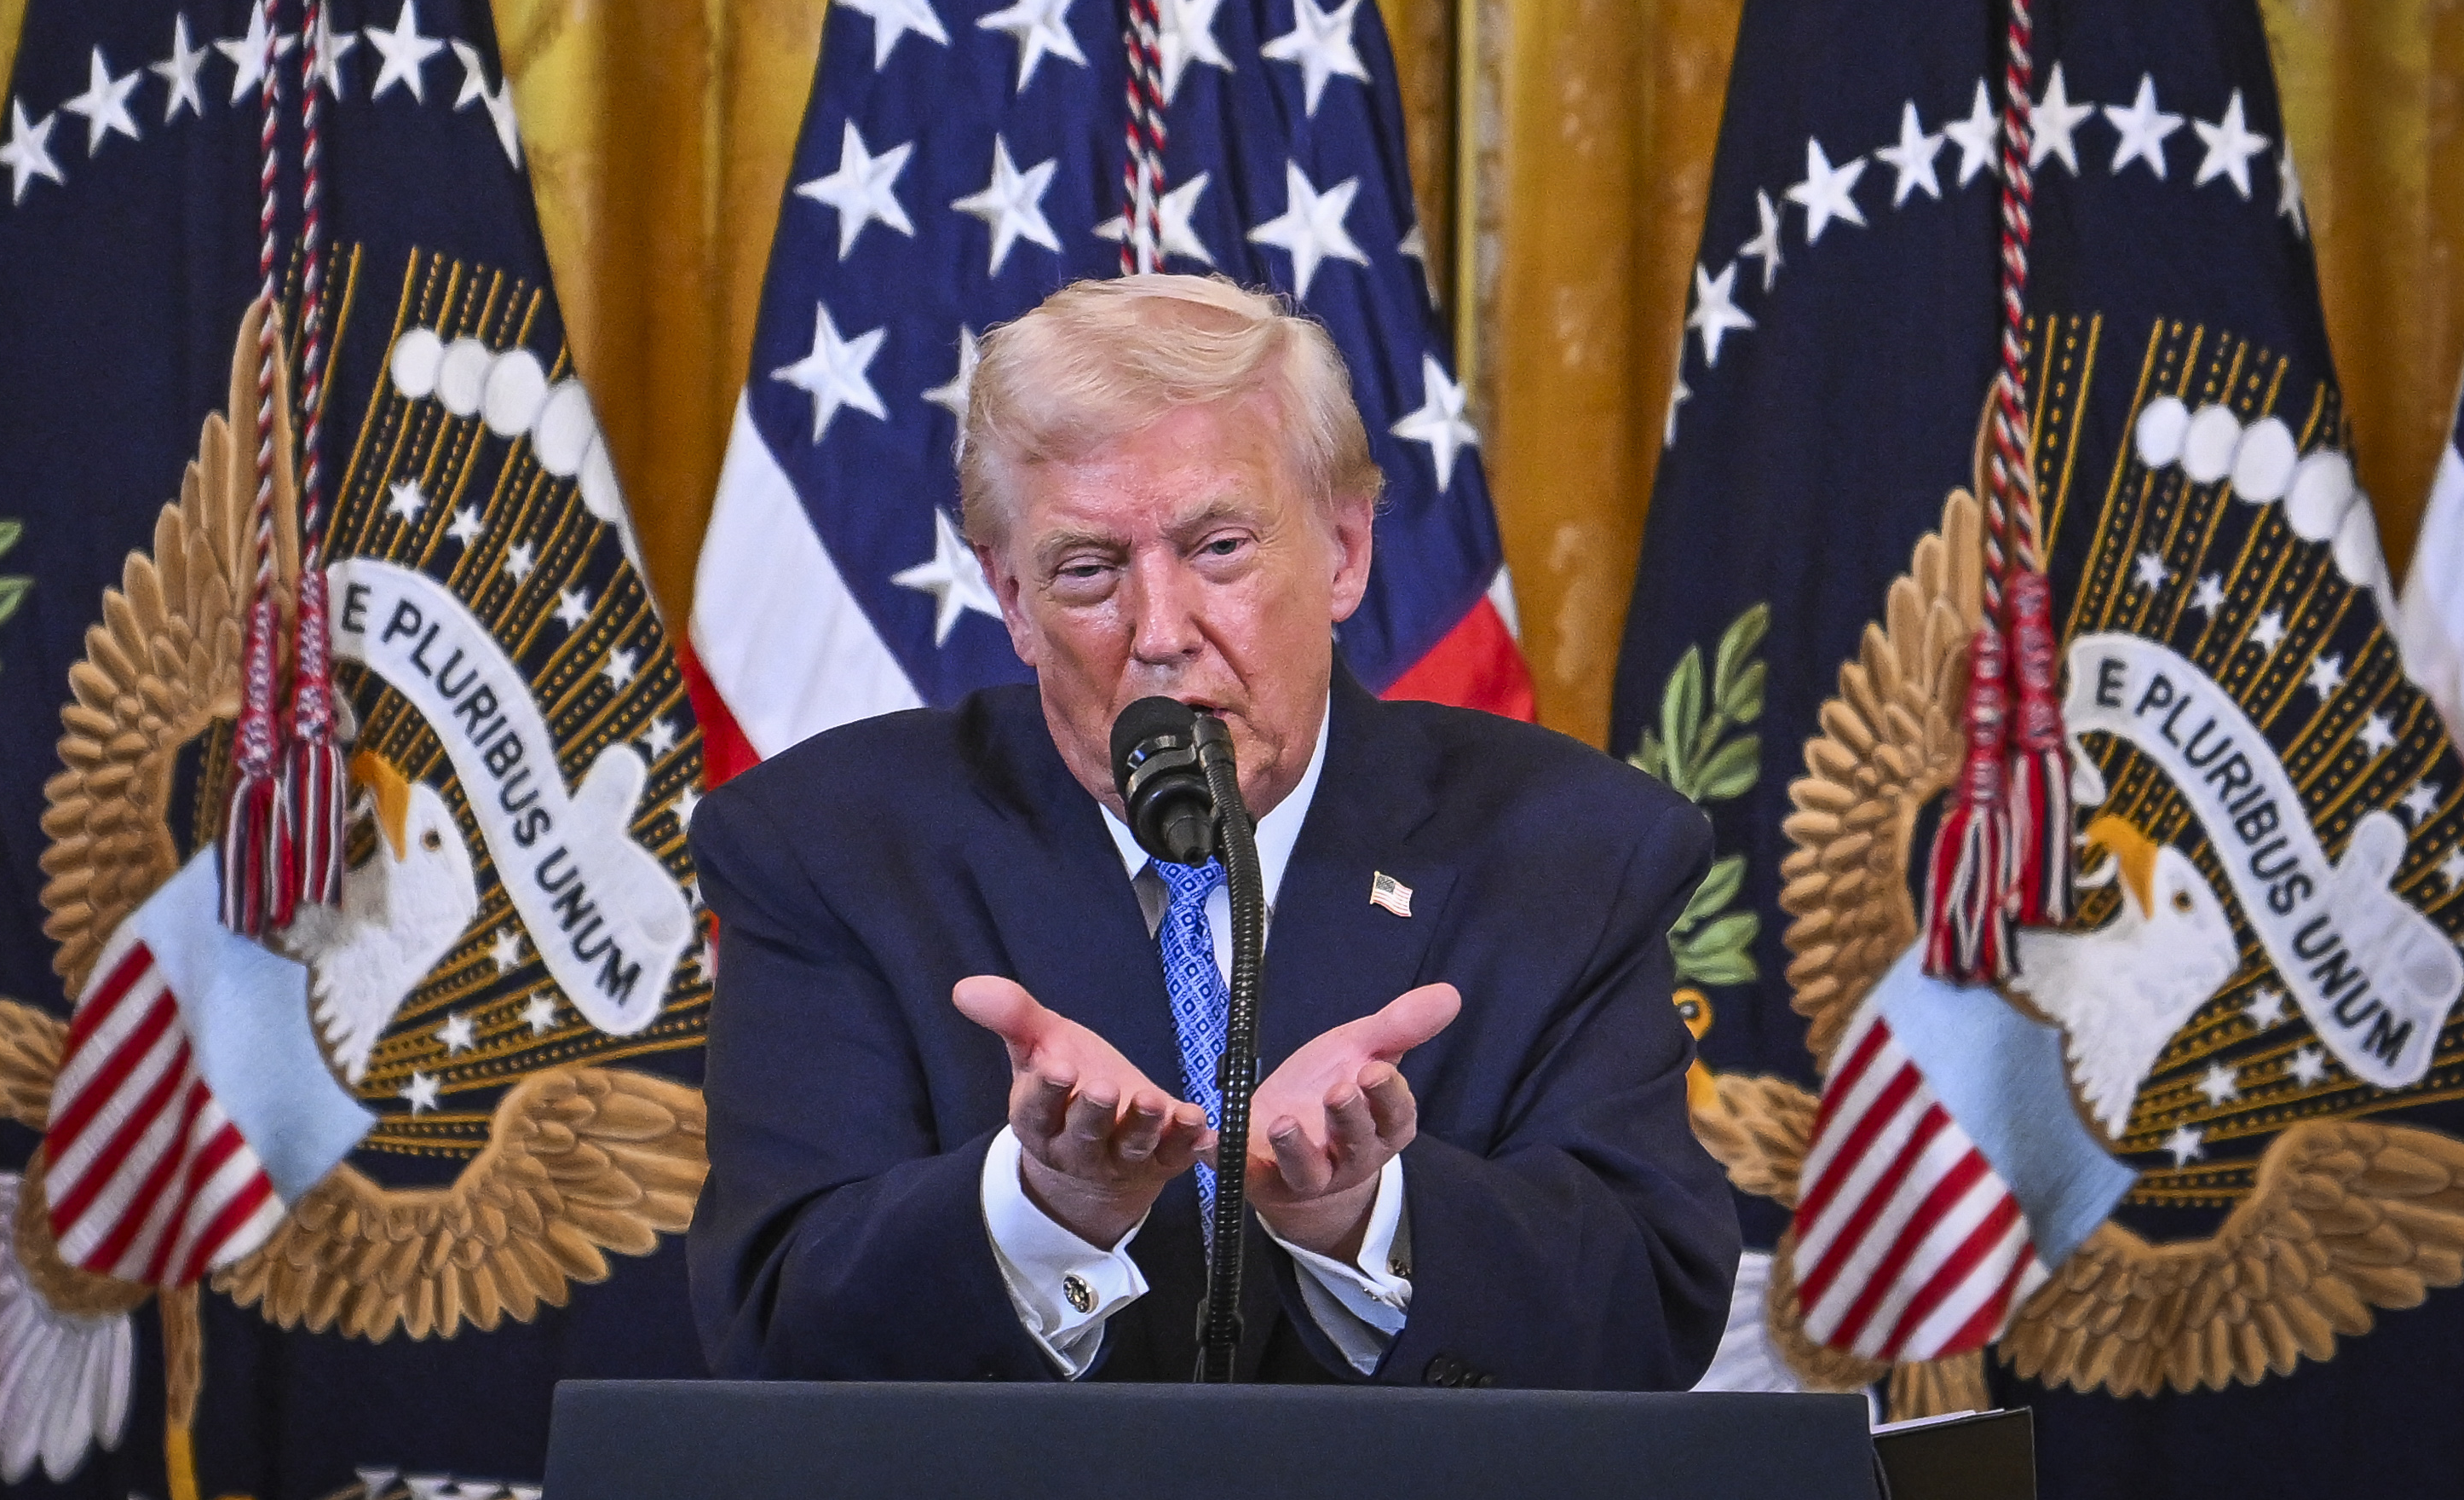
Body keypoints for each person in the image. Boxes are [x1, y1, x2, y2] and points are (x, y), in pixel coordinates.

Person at [688, 274, 1738, 1385]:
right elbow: (772, 1325)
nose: (1159, 631)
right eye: (1087, 570)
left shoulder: (1571, 851)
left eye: (1219, 547)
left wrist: (1361, 1214)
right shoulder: (829, 848)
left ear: (1343, 551)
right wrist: (1046, 1208)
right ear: (1012, 599)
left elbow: (1648, 1312)